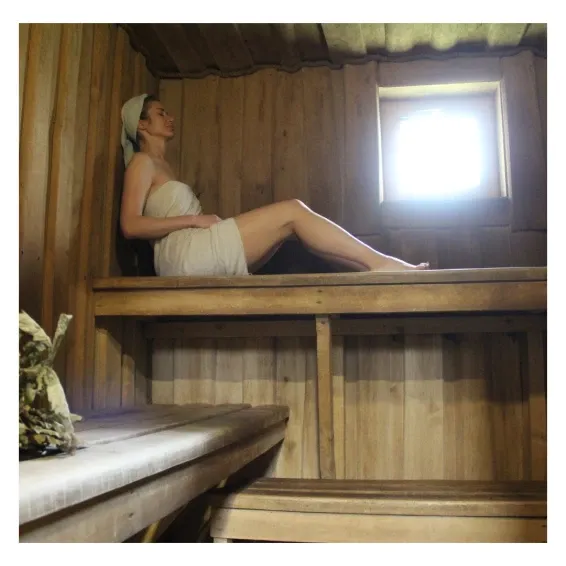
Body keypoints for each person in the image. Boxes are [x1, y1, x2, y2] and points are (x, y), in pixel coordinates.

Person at [120, 94, 429, 277]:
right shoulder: (141, 163)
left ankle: (376, 267)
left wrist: (196, 222)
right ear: (142, 124)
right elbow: (130, 225)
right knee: (293, 211)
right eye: (161, 113)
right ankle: (382, 264)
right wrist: (194, 220)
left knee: (287, 227)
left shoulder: (164, 167)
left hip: (192, 248)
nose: (170, 117)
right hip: (183, 255)